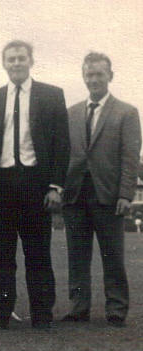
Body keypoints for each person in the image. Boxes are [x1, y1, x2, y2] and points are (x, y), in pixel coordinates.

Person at [0, 40, 69, 330]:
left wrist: (55, 187)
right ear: (3, 63)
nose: (16, 63)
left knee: (37, 252)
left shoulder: (51, 96)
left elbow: (62, 144)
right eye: (10, 59)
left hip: (34, 183)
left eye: (21, 58)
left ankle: (42, 315)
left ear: (31, 61)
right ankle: (0, 314)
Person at [61, 52, 140, 327]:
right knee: (77, 257)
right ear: (83, 77)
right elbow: (65, 154)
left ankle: (116, 309)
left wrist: (125, 194)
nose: (94, 79)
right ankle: (78, 308)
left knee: (113, 256)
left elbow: (131, 156)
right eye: (89, 74)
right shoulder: (70, 113)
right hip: (75, 195)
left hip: (108, 195)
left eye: (99, 74)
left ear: (110, 76)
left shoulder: (127, 112)